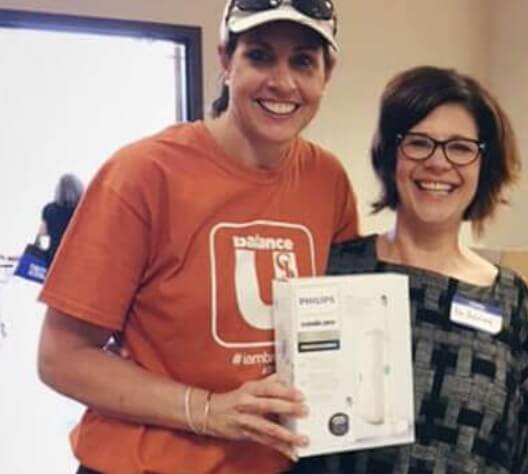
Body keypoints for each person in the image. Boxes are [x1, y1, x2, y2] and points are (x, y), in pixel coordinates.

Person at [36, 1, 359, 473]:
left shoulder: (327, 180)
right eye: (261, 55)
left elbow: (341, 324)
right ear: (226, 60)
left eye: (304, 61)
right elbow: (61, 358)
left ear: (326, 76)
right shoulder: (143, 175)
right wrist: (207, 411)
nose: (283, 82)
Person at [297, 66, 528, 473]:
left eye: (460, 148)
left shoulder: (514, 307)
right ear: (390, 154)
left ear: (483, 164)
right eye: (419, 143)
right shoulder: (333, 273)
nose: (439, 163)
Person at [37, 173, 84, 264]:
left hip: (55, 259)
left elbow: (43, 232)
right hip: (78, 257)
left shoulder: (49, 209)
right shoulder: (84, 210)